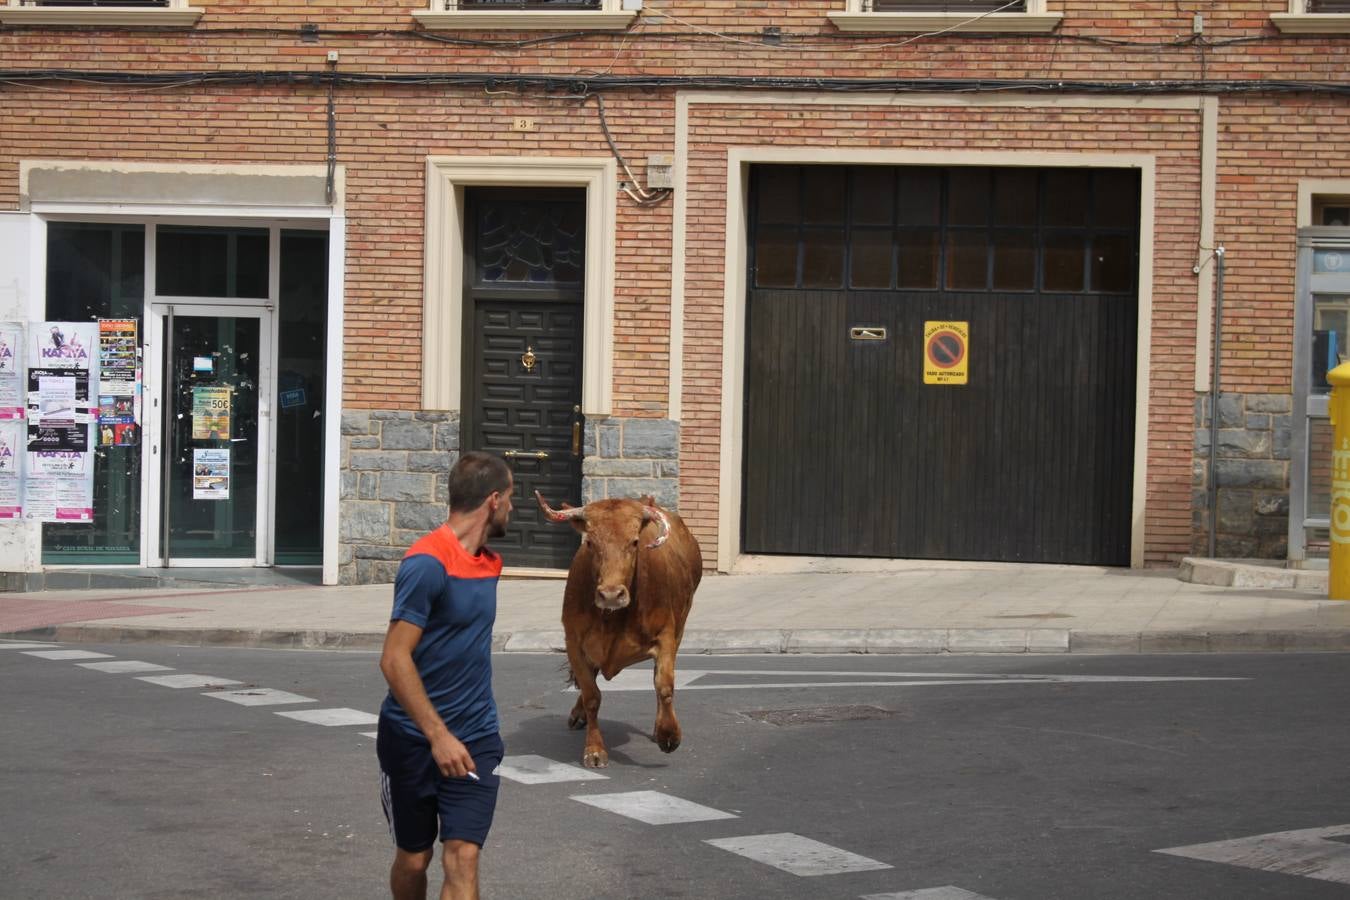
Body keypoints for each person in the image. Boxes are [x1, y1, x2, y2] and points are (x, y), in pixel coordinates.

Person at [377, 451, 514, 900]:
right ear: (493, 500)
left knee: (464, 856)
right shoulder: (426, 563)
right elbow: (394, 659)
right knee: (414, 860)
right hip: (413, 740)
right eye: (510, 499)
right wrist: (438, 737)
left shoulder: (489, 563)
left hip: (476, 737)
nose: (513, 509)